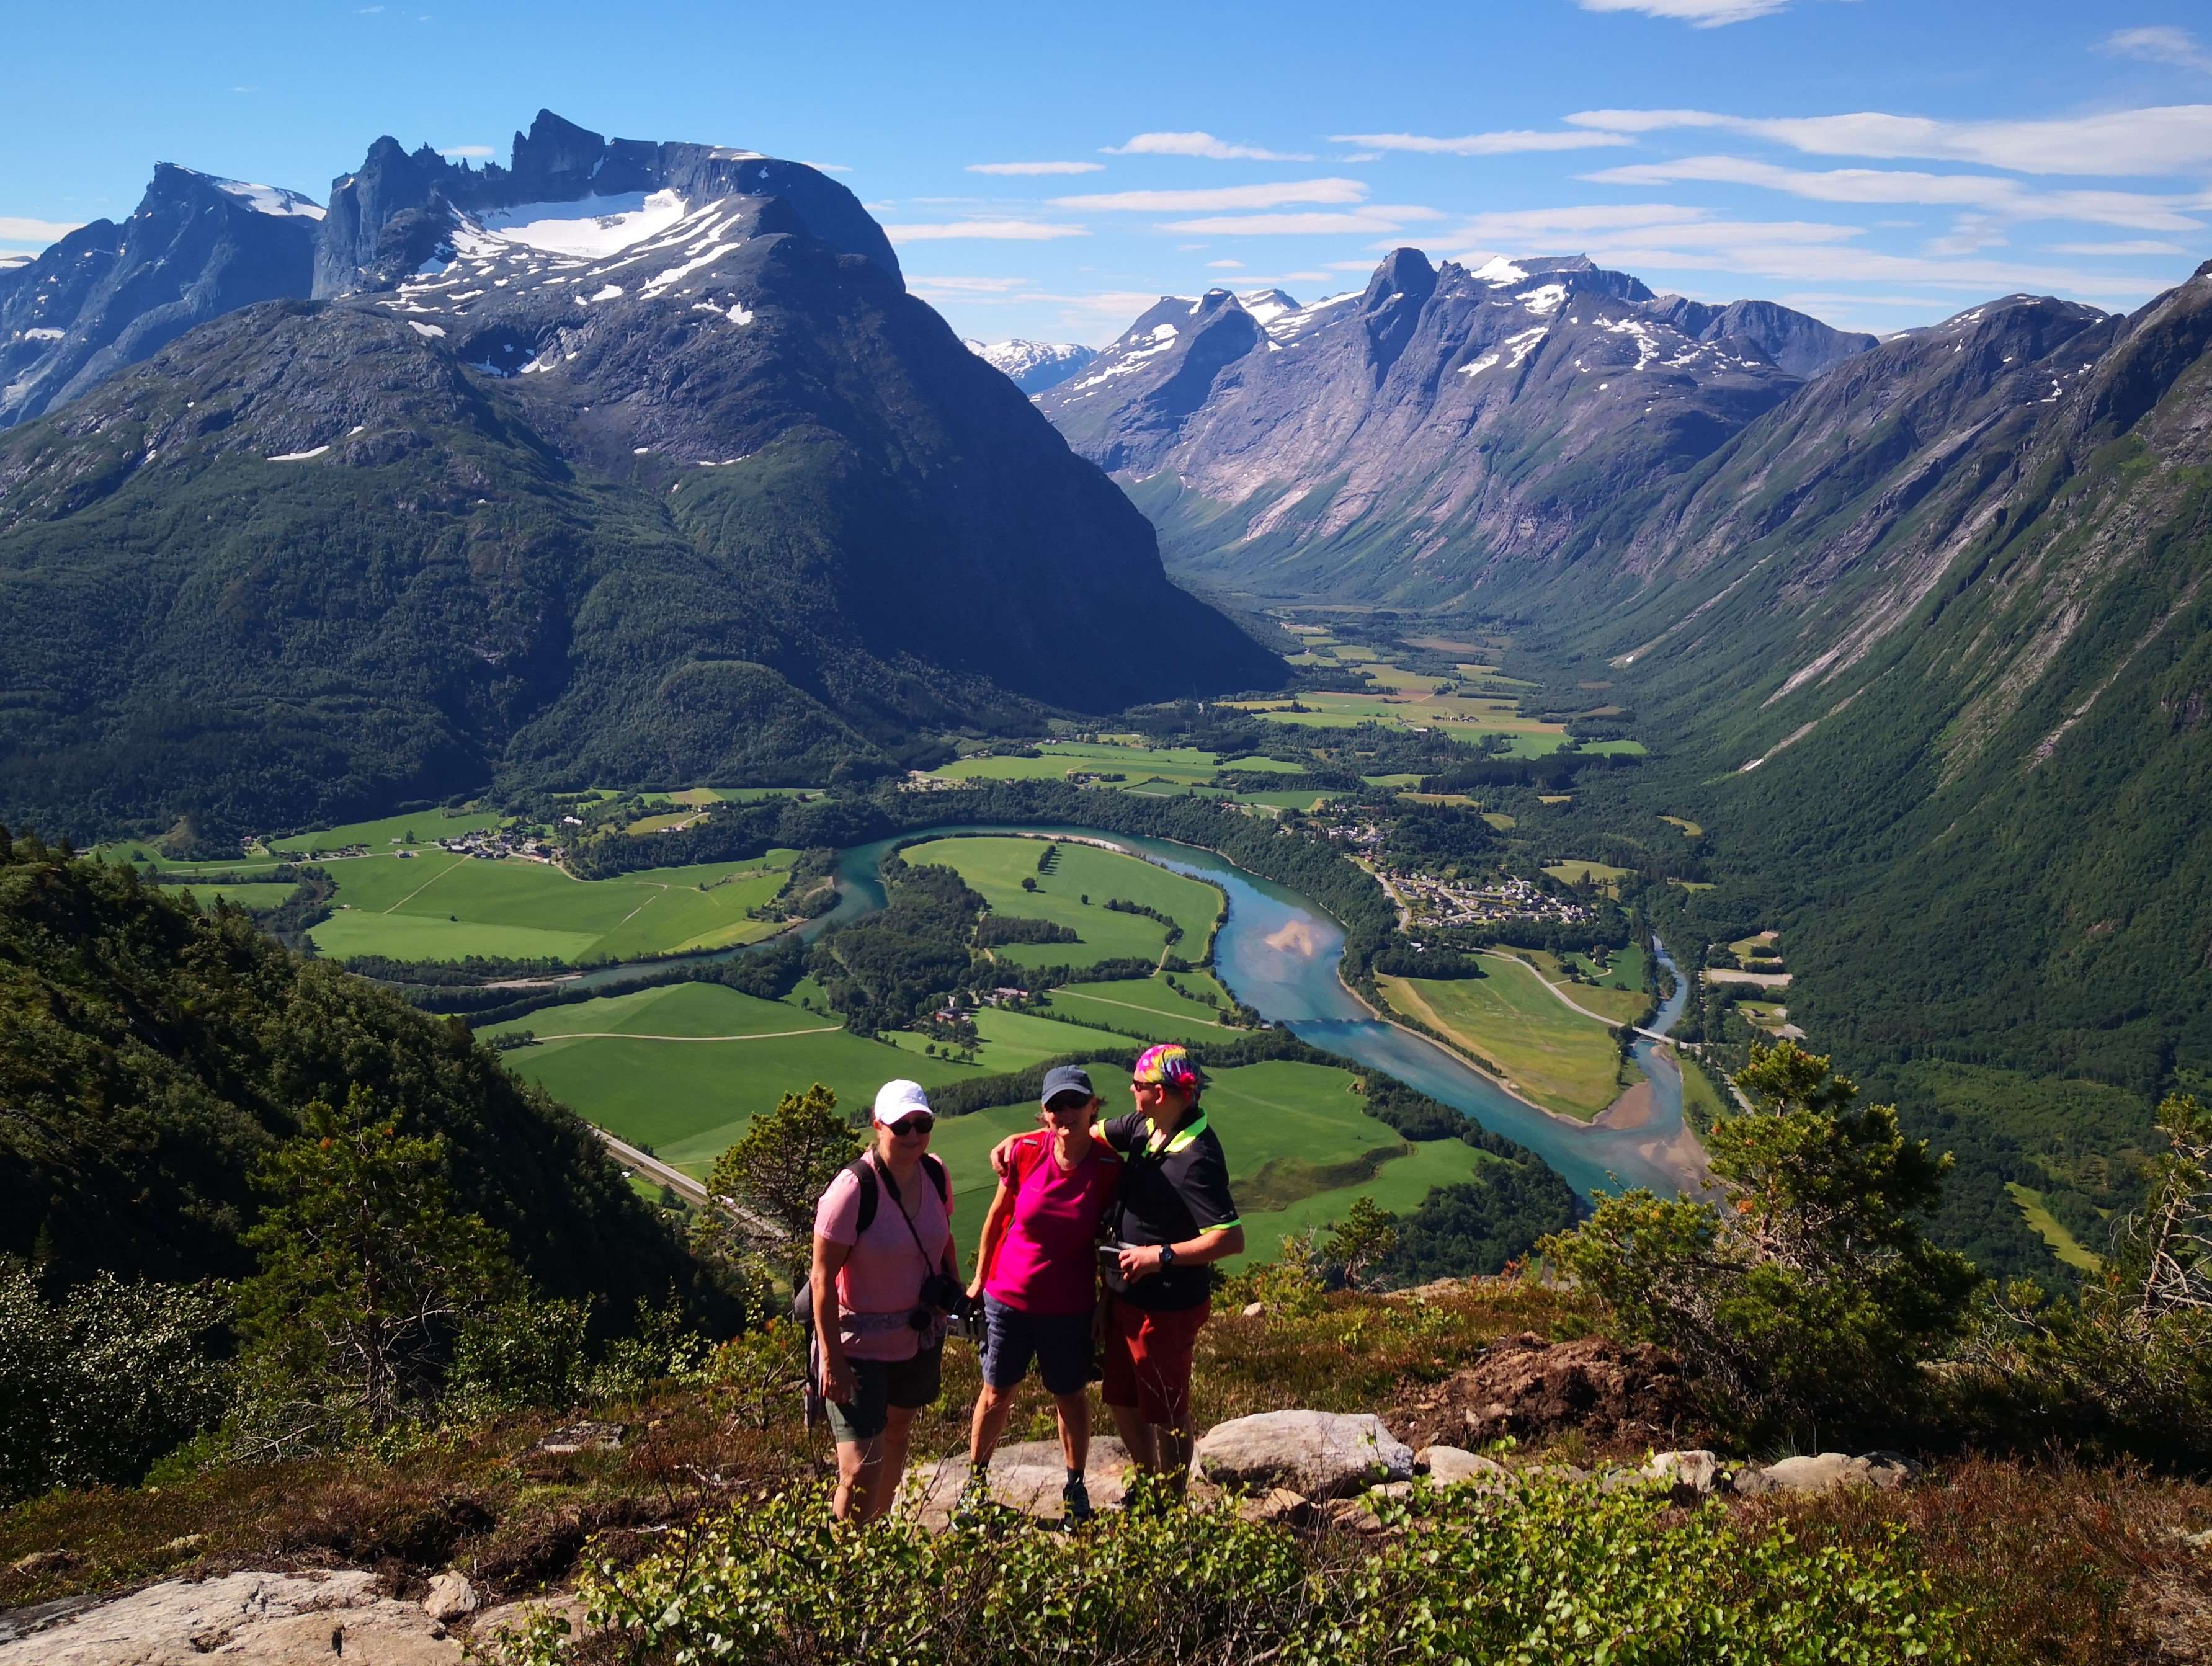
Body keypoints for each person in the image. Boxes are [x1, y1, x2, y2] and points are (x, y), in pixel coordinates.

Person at [993, 1043, 1242, 1500]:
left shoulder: (1197, 1159)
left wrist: (1158, 1257)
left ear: (1161, 1093)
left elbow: (1229, 1239)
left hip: (1167, 1304)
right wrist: (1020, 1140)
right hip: (1126, 1297)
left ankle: (1171, 1502)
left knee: (1167, 1410)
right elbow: (1079, 1131)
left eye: (1138, 1085)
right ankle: (1148, 1487)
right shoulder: (1145, 1127)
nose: (1130, 1090)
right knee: (1123, 1399)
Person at [961, 1065, 1123, 1524]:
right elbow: (997, 1218)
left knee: (1070, 1396)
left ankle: (1075, 1487)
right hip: (1008, 1299)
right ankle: (976, 1484)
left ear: (1093, 1107)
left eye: (1075, 1103)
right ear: (1044, 1112)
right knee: (995, 1394)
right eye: (1055, 1105)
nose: (1065, 1112)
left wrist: (1105, 1304)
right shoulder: (1026, 1152)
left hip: (1069, 1307)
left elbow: (1114, 1243)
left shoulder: (1109, 1167)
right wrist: (979, 1280)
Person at [811, 1079, 959, 1523]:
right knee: (860, 1468)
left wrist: (954, 1286)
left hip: (916, 1339)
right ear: (878, 1125)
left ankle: (878, 1538)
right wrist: (831, 1361)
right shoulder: (853, 1190)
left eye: (922, 1124)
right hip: (858, 1348)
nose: (913, 1134)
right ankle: (846, 1555)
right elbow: (822, 1279)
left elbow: (943, 1237)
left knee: (896, 1437)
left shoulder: (935, 1173)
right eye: (902, 1126)